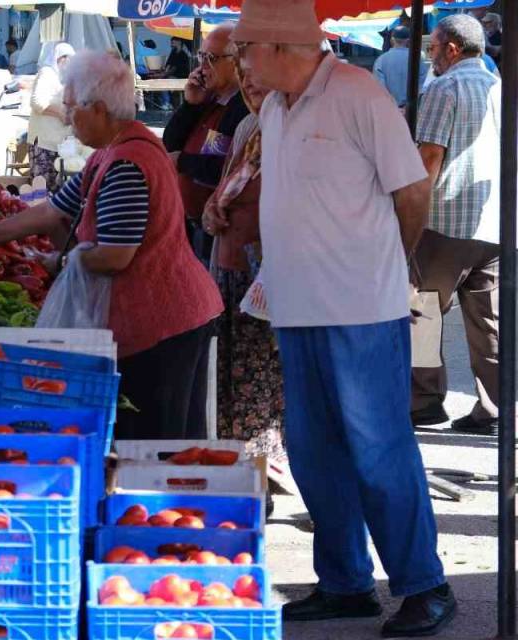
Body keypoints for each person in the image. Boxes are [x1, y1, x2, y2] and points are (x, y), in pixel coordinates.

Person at [233, 0, 455, 636]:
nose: (242, 62)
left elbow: (412, 189)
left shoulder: (358, 93)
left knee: (378, 448)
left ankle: (424, 584)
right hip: (296, 307)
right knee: (313, 451)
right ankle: (346, 582)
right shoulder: (274, 108)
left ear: (279, 45)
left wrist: (394, 259)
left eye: (246, 48)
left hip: (361, 306)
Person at [0, 51, 222, 440]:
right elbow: (51, 212)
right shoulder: (114, 150)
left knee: (156, 440)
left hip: (163, 319)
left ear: (100, 109)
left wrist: (64, 260)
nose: (68, 119)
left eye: (72, 109)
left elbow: (116, 255)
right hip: (175, 312)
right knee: (171, 437)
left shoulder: (127, 164)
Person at [410, 14, 502, 436]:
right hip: (495, 222)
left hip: (446, 221)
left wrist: (411, 214)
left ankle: (425, 401)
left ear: (451, 49)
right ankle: (495, 406)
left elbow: (430, 157)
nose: (430, 56)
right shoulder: (499, 87)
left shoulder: (444, 87)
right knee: (489, 323)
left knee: (423, 312)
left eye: (432, 48)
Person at [198, 61, 284, 463]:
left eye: (259, 76)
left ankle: (261, 467)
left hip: (270, 277)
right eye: (243, 73)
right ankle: (241, 464)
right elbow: (218, 185)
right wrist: (212, 211)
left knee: (260, 377)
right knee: (232, 373)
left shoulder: (291, 134)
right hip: (231, 268)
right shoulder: (249, 128)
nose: (250, 83)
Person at [162, 23, 248, 262]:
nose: (203, 67)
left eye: (212, 58)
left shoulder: (242, 106)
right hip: (190, 221)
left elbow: (222, 167)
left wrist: (182, 161)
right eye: (201, 56)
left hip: (216, 226)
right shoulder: (208, 97)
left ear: (237, 60)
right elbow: (171, 141)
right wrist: (190, 103)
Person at [27, 42, 75, 189]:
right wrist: (60, 113)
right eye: (69, 60)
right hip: (43, 142)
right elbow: (37, 102)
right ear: (60, 59)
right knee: (43, 189)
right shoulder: (47, 73)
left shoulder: (64, 78)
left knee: (56, 189)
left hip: (59, 144)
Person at [372, 26, 429, 108]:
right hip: (412, 111)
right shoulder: (418, 59)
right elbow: (423, 85)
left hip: (390, 109)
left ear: (392, 40)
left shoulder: (381, 60)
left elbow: (380, 89)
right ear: (409, 41)